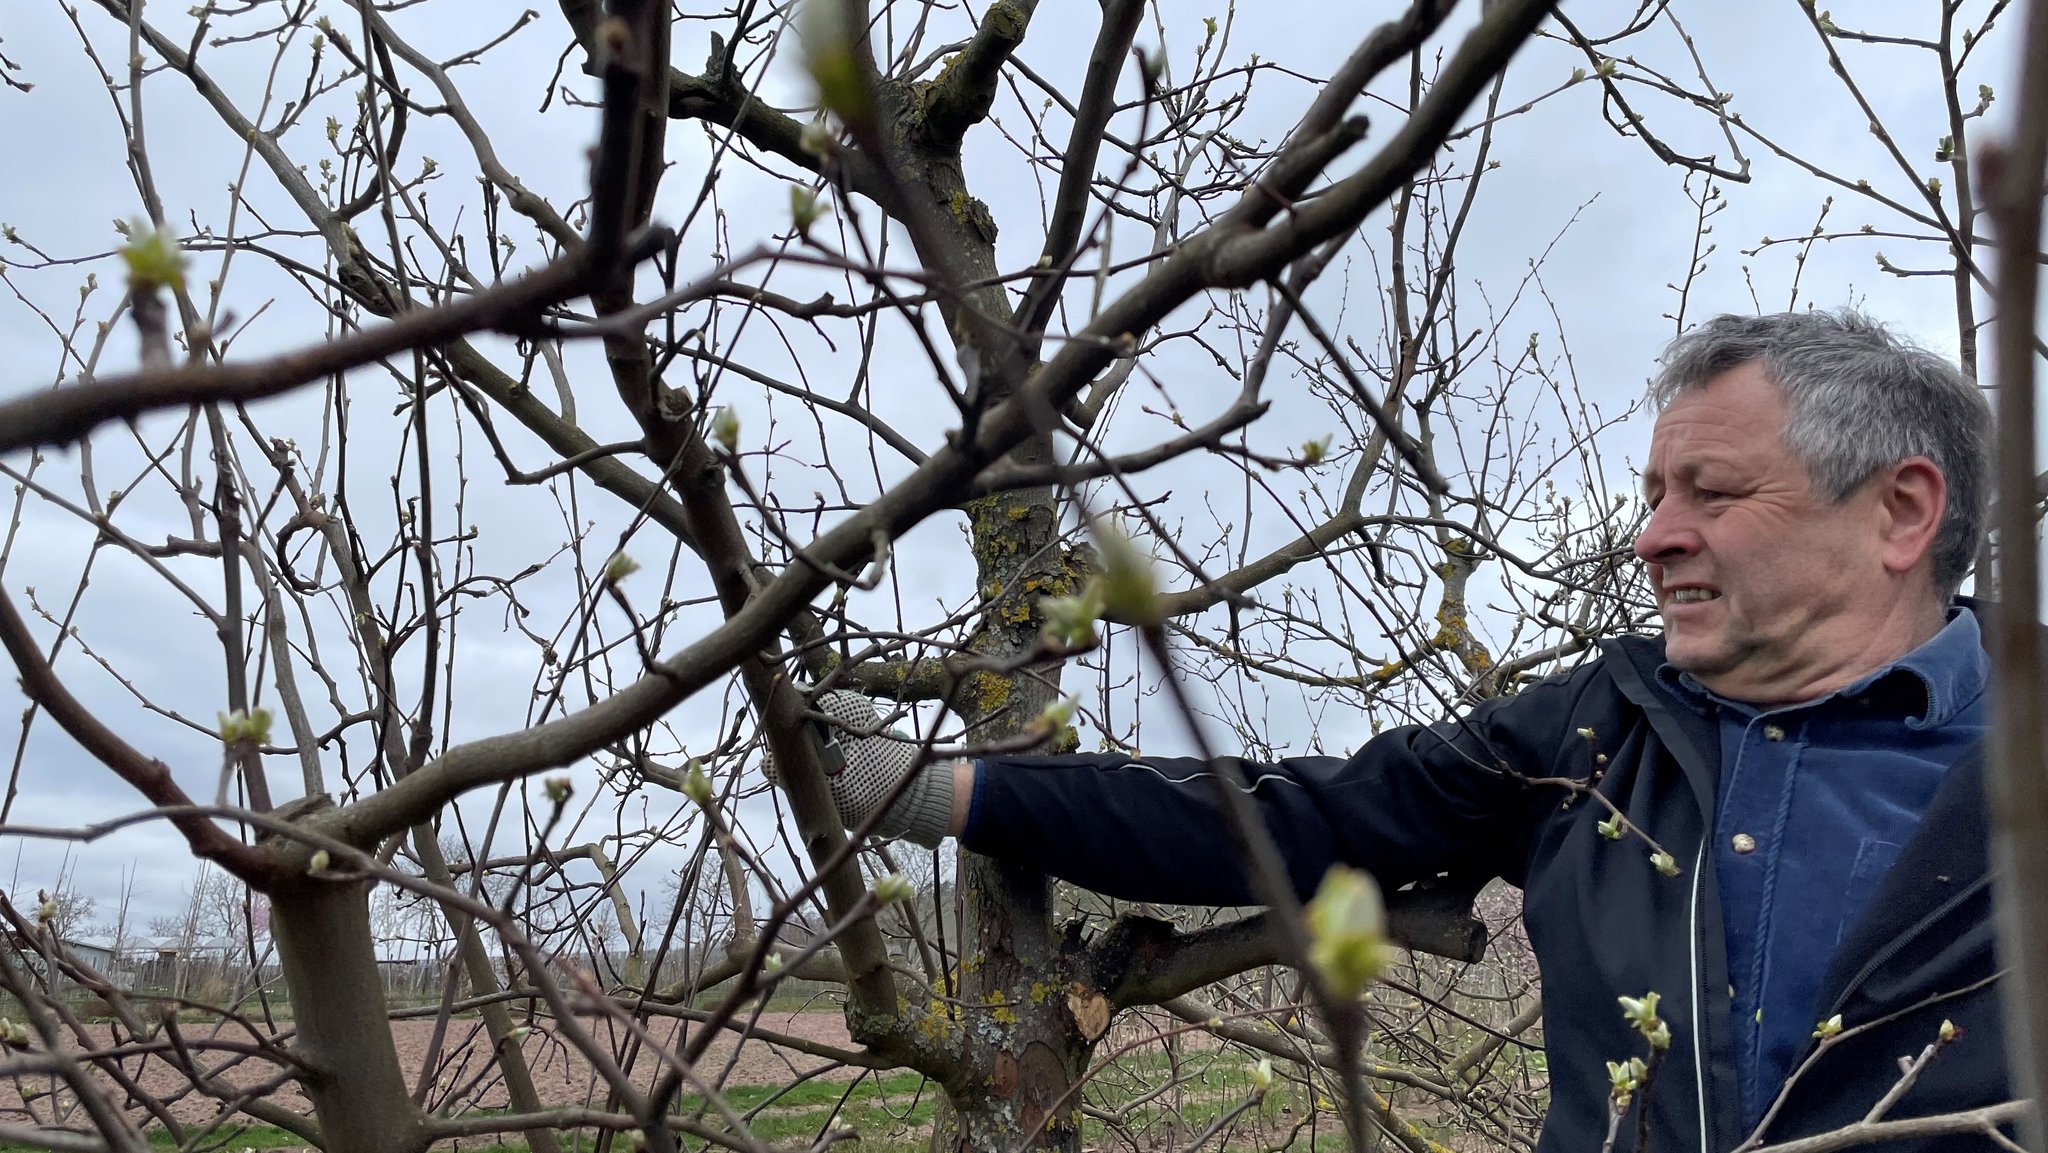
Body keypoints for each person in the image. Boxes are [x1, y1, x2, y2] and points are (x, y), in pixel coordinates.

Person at [778, 310, 2008, 1152]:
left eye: (1713, 492)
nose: (1651, 536)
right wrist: (946, 791)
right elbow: (1298, 819)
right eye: (1649, 496)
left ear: (1899, 510)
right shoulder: (1602, 730)